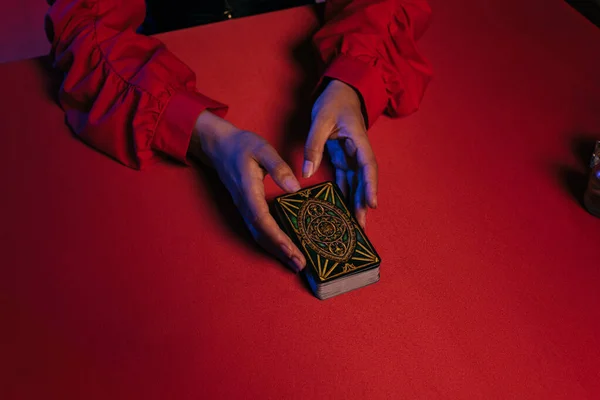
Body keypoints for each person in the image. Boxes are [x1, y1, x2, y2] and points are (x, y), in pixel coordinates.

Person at [45, 0, 432, 272]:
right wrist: (202, 132)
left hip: (294, 47)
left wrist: (353, 79)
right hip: (155, 60)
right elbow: (85, 24)